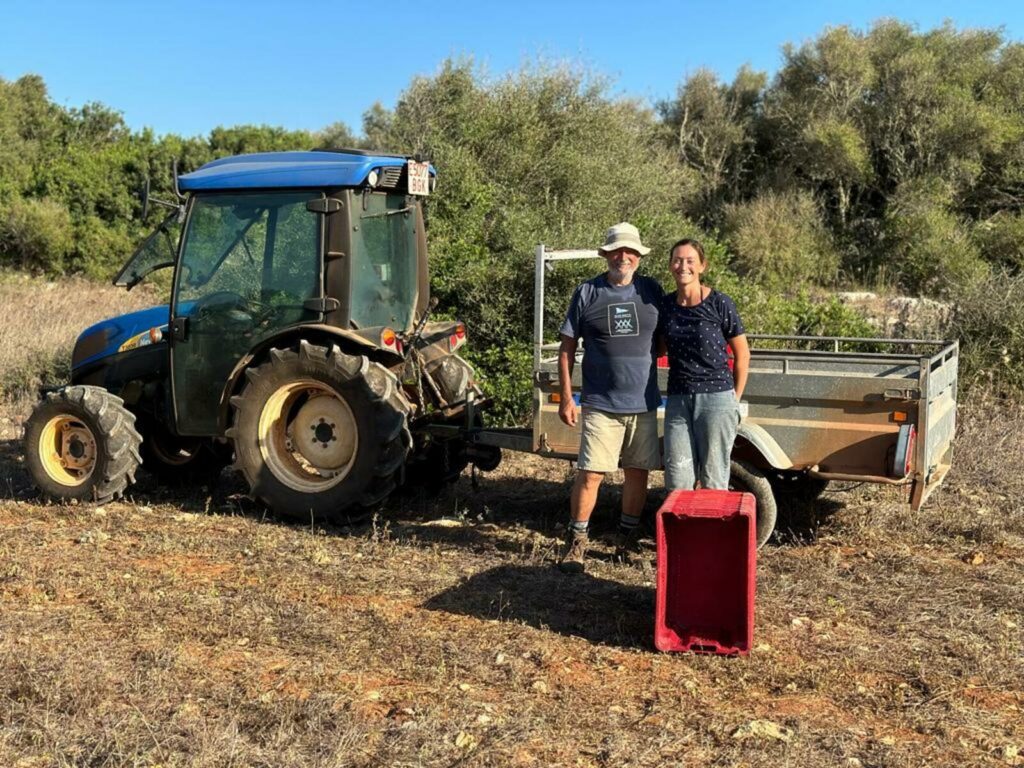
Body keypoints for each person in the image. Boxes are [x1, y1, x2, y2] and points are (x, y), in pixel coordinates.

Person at [557, 222, 663, 572]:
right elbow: (567, 348)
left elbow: (668, 338)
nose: (624, 257)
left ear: (639, 257)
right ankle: (577, 542)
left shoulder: (651, 291)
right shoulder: (588, 292)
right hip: (601, 403)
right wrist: (567, 397)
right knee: (590, 474)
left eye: (630, 251)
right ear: (605, 255)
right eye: (617, 251)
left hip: (644, 402)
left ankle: (626, 540)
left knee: (637, 474)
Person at [660, 238, 750, 492]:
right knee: (677, 476)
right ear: (670, 266)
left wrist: (735, 398)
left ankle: (710, 529)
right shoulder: (666, 306)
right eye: (677, 260)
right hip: (678, 398)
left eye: (690, 261)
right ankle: (681, 531)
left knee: (714, 477)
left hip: (717, 398)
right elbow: (658, 347)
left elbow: (742, 354)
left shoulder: (719, 303)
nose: (683, 266)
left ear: (702, 266)